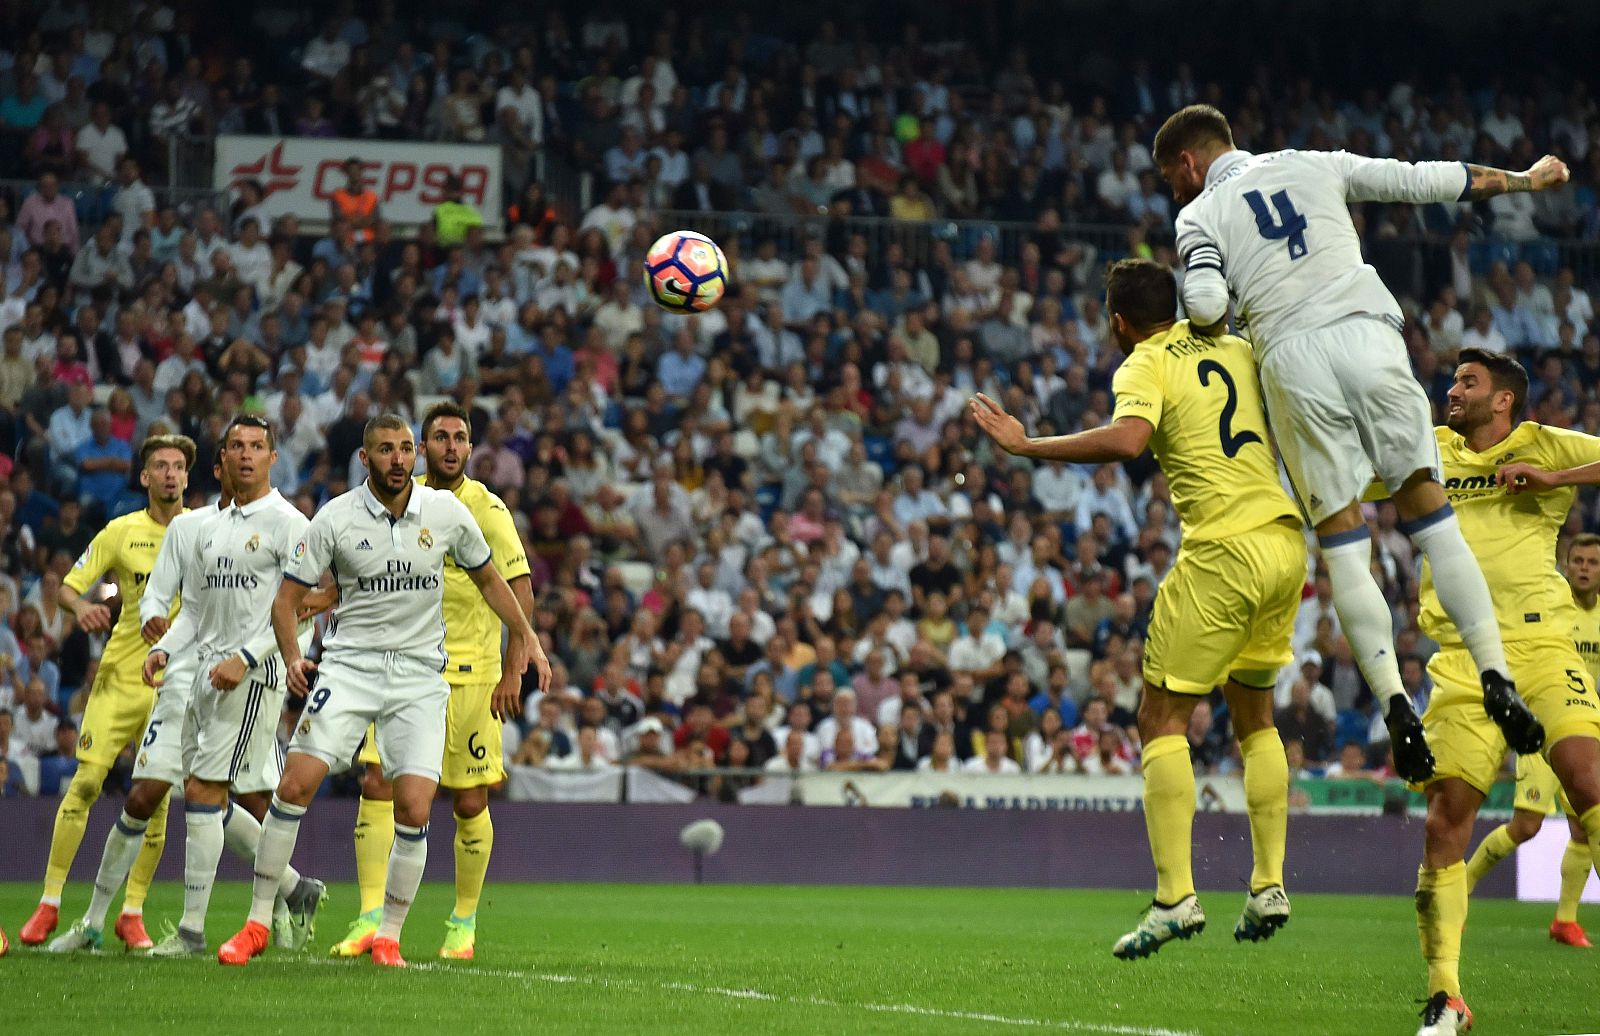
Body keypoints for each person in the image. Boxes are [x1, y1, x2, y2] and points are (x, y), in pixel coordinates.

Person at [1155, 104, 1571, 787]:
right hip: (1366, 331)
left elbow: (1203, 307)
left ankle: (1396, 706)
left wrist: (1213, 290)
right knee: (1433, 519)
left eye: (1172, 176)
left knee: (1345, 540)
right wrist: (1524, 180)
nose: (1175, 189)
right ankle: (1497, 677)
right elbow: (1422, 181)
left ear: (1190, 163)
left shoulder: (1198, 216)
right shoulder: (1314, 163)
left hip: (1291, 355)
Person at [971, 258, 1303, 959]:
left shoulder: (1144, 364)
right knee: (1255, 714)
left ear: (1118, 321)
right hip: (1283, 540)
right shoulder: (1233, 345)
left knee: (1160, 717)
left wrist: (1026, 444)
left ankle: (1174, 900)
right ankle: (1268, 883)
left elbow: (1128, 441)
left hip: (1222, 548)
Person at [216, 414, 544, 968]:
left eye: (404, 449)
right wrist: (295, 657)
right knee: (295, 786)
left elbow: (492, 579)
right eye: (386, 450)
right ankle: (255, 923)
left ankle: (388, 935)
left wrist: (528, 640)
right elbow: (287, 600)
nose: (398, 459)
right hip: (349, 671)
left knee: (415, 807)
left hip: (420, 678)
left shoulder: (446, 513)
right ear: (365, 459)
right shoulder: (335, 519)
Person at [52, 422, 330, 956]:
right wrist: (164, 648)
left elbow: (304, 609)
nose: (246, 457)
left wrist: (246, 658)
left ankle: (194, 931)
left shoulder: (291, 524)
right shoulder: (208, 527)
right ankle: (294, 890)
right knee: (209, 797)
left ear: (273, 457)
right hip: (201, 673)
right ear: (221, 460)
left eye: (257, 448)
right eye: (237, 448)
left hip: (253, 675)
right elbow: (194, 610)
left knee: (204, 792)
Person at [1392, 350, 1600, 1036]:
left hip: (1541, 646)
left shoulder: (1545, 442)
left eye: (1467, 382)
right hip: (1459, 659)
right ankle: (1446, 997)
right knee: (1444, 820)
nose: (1452, 390)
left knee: (1588, 776)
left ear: (1504, 400)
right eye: (1453, 380)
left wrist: (1554, 477)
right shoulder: (1430, 449)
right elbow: (1349, 477)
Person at [329, 401, 534, 962]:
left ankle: (462, 922)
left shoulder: (486, 509)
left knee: (468, 800)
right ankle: (372, 916)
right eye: (438, 437)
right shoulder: (398, 502)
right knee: (377, 783)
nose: (449, 446)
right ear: (421, 447)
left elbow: (519, 590)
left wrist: (513, 668)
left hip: (471, 675)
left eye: (459, 438)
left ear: (470, 449)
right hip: (401, 667)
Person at [18, 435, 192, 949]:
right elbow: (70, 586)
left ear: (187, 477)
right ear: (143, 477)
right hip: (120, 677)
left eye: (178, 467)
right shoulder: (121, 532)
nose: (168, 475)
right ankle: (49, 904)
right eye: (159, 466)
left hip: (175, 684)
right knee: (88, 782)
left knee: (156, 801)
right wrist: (80, 609)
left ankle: (131, 912)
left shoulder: (203, 533)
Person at [1461, 532, 1600, 948]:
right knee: (1526, 826)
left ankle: (1565, 920)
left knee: (1583, 826)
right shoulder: (1549, 602)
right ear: (1566, 563)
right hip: (1540, 729)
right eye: (1578, 561)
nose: (1584, 569)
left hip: (1583, 727)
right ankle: (1461, 889)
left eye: (1593, 563)